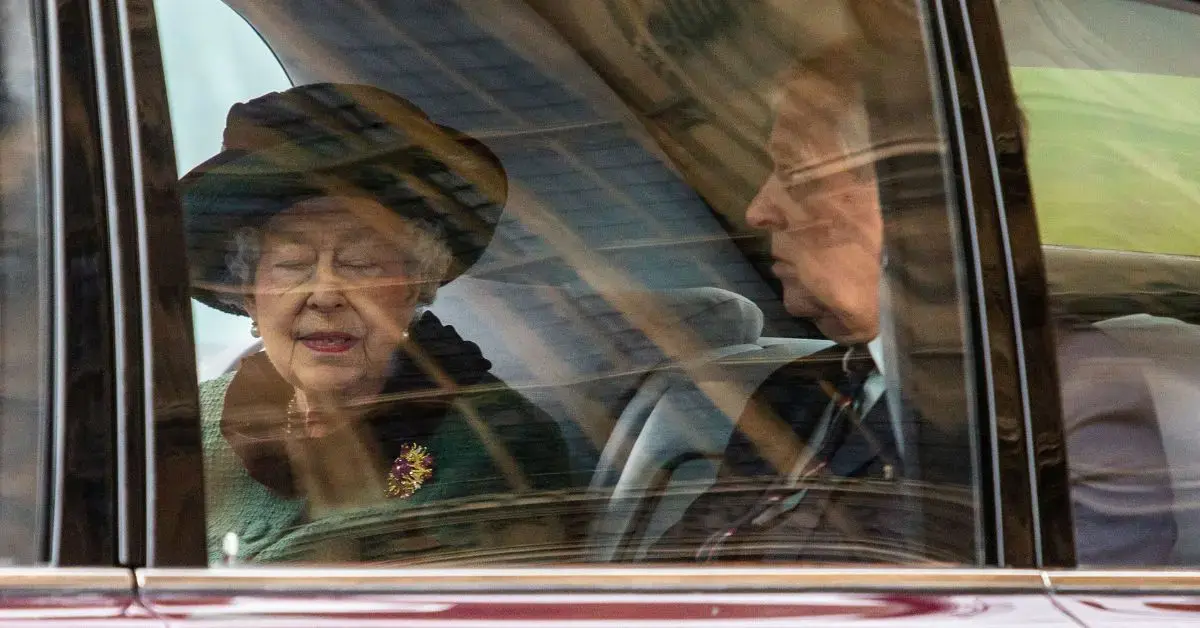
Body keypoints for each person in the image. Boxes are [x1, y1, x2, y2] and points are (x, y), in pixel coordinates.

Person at [654, 43, 1176, 564]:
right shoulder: (798, 393)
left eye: (793, 172)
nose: (758, 210)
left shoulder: (1056, 401)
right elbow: (672, 575)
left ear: (913, 199)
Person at [183, 83, 572, 564]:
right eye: (292, 263)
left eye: (361, 262)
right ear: (250, 296)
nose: (324, 294)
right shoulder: (189, 426)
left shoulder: (501, 447)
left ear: (414, 285)